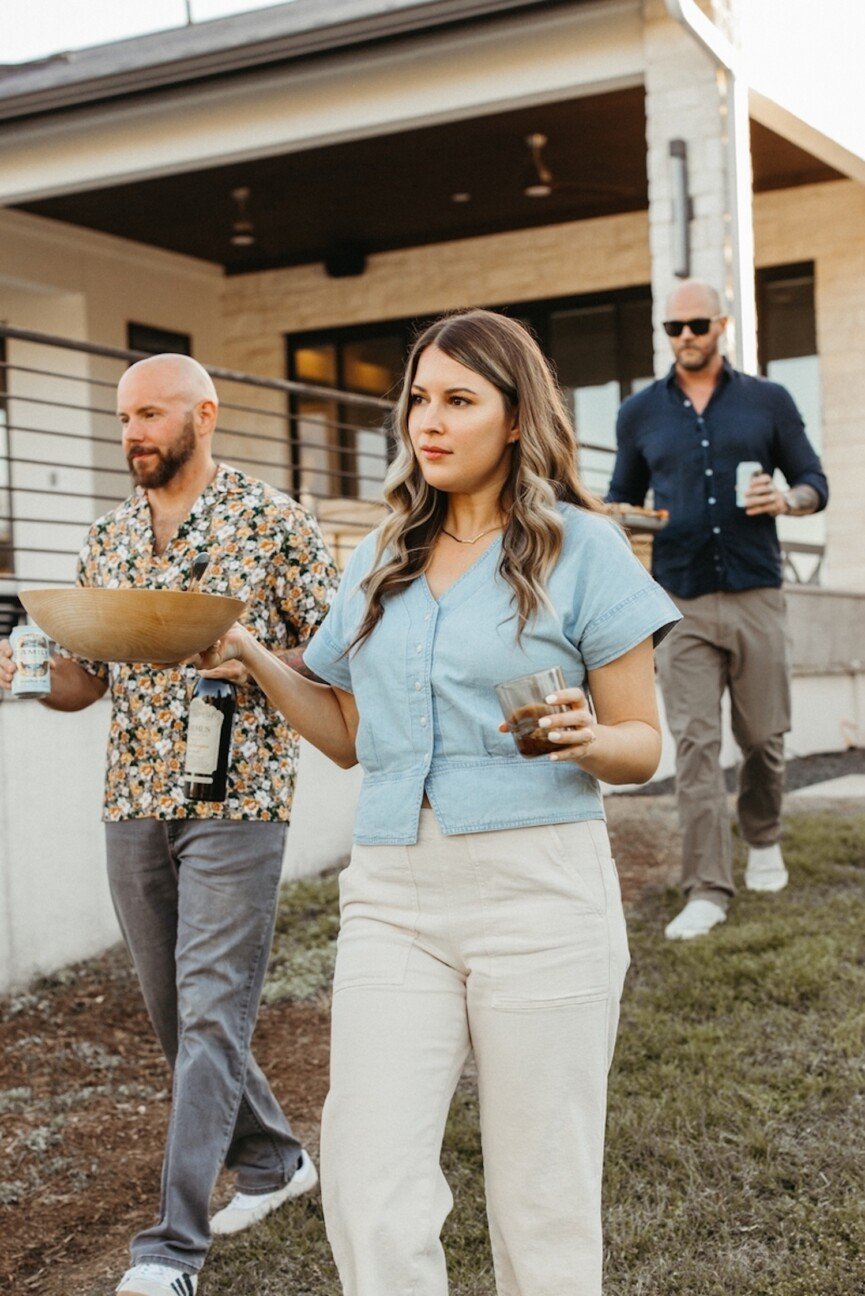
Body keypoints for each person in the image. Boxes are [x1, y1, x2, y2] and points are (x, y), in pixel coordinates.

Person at [192, 309, 680, 1296]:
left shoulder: (582, 550)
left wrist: (591, 737)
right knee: (370, 1181)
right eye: (419, 397)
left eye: (459, 399)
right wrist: (251, 657)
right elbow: (345, 733)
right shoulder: (379, 557)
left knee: (540, 1199)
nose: (429, 419)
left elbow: (644, 743)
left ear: (514, 420)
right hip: (392, 896)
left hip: (541, 893)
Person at [0, 354, 338, 1296]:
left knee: (211, 1014)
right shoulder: (106, 541)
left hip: (238, 797)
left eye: (148, 415)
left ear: (205, 414)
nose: (131, 434)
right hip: (134, 797)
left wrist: (257, 660)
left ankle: (169, 1250)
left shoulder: (275, 523)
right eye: (122, 420)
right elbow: (86, 681)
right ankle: (275, 1160)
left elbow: (343, 647)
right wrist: (28, 678)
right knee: (176, 1014)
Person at [607, 279, 828, 941]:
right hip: (678, 598)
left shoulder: (768, 401)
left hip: (756, 589)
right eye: (672, 328)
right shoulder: (638, 412)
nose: (684, 338)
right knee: (696, 746)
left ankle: (762, 838)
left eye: (695, 325)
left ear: (721, 325)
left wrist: (784, 502)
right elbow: (621, 497)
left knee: (763, 737)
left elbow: (815, 482)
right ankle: (705, 887)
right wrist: (635, 516)